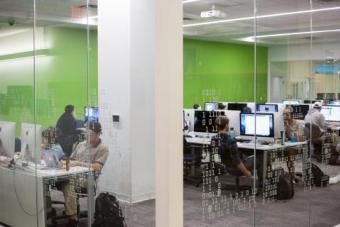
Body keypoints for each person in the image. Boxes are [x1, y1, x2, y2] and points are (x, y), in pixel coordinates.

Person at [60, 121, 109, 225]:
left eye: (90, 134)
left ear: (98, 133)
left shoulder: (103, 148)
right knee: (53, 181)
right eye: (86, 133)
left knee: (68, 185)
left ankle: (73, 218)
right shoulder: (81, 144)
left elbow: (97, 167)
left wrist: (78, 163)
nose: (87, 136)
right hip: (73, 175)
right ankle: (49, 211)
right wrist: (63, 162)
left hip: (87, 179)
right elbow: (71, 159)